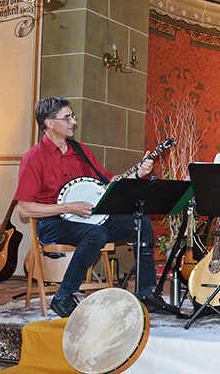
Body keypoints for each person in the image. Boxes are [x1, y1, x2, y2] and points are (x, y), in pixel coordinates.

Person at [14, 97, 165, 318]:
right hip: (53, 224)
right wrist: (68, 207)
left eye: (72, 116)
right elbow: (24, 210)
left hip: (88, 218)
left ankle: (144, 292)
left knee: (140, 221)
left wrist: (138, 174)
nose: (73, 122)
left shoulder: (80, 151)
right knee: (97, 233)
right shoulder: (34, 159)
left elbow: (109, 182)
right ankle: (64, 295)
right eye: (67, 118)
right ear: (49, 123)